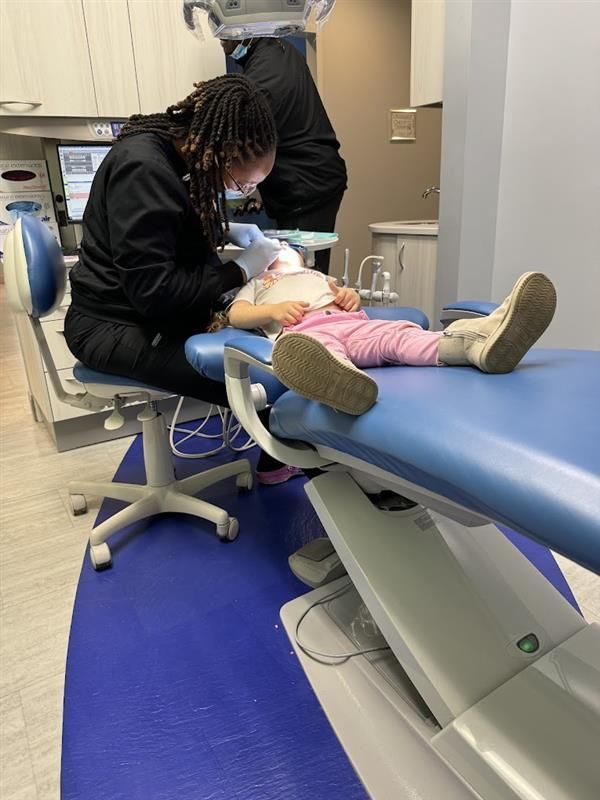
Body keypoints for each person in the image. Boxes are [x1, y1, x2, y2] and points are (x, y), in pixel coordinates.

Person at [64, 74, 297, 483]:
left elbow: (169, 227)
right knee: (266, 378)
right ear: (218, 152)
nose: (241, 191)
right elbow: (154, 295)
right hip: (110, 326)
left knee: (272, 355)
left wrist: (225, 231)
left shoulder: (179, 157)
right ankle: (280, 460)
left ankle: (276, 454)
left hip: (140, 313)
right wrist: (240, 269)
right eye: (243, 182)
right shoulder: (144, 168)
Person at [226, 247, 557, 415]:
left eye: (289, 254)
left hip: (355, 324)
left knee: (401, 333)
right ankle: (343, 382)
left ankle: (477, 343)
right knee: (318, 351)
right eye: (276, 254)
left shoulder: (318, 278)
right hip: (305, 332)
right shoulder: (258, 283)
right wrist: (271, 311)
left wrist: (349, 295)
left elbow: (350, 299)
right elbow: (236, 314)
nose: (283, 257)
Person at [221, 37, 347, 274]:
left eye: (225, 34)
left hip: (307, 187)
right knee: (295, 273)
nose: (221, 40)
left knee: (296, 275)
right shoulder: (277, 50)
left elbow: (241, 132)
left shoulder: (266, 72)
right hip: (314, 178)